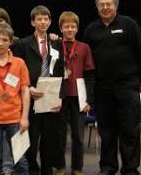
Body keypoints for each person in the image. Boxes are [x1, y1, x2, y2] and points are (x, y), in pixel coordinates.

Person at [83, 0, 141, 175]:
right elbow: (85, 59)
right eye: (101, 5)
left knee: (129, 131)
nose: (105, 7)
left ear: (116, 6)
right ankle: (108, 167)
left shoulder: (129, 24)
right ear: (97, 8)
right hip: (102, 89)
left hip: (127, 87)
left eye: (108, 4)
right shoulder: (91, 30)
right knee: (107, 132)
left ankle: (130, 169)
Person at [13, 5, 65, 175]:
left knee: (49, 139)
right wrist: (28, 88)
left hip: (50, 98)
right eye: (39, 19)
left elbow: (60, 72)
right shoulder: (23, 44)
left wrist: (60, 97)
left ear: (50, 21)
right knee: (31, 137)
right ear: (32, 22)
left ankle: (46, 169)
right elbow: (17, 71)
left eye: (46, 18)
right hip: (31, 96)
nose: (42, 22)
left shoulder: (57, 43)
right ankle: (31, 169)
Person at [0, 23, 30, 175]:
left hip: (15, 118)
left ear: (11, 41)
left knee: (20, 159)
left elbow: (25, 90)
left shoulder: (19, 63)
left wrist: (24, 117)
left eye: (5, 39)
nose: (1, 43)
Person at [53, 11, 95, 175]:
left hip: (79, 96)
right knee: (60, 135)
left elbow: (90, 75)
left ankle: (77, 168)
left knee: (78, 136)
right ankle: (60, 167)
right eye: (66, 26)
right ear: (61, 28)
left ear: (77, 29)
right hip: (60, 96)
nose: (69, 29)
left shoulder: (85, 48)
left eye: (72, 26)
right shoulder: (55, 46)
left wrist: (89, 100)